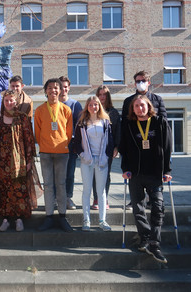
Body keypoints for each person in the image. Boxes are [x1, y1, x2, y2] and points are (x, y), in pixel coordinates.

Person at [119, 95, 172, 264]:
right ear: (132, 109)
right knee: (138, 208)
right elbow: (124, 148)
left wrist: (167, 170)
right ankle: (145, 238)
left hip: (155, 173)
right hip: (135, 173)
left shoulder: (159, 122)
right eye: (136, 106)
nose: (139, 108)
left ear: (148, 106)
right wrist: (125, 169)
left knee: (158, 207)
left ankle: (154, 243)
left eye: (142, 105)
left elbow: (168, 147)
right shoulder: (128, 125)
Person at [0, 90, 41, 232]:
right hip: (3, 161)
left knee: (19, 189)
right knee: (4, 189)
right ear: (3, 102)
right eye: (6, 100)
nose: (9, 103)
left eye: (11, 100)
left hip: (19, 160)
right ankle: (6, 219)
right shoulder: (0, 119)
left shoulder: (23, 118)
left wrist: (29, 160)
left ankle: (19, 219)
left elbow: (29, 140)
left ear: (16, 102)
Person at [121, 71, 167, 210]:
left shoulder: (157, 99)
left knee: (154, 175)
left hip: (154, 145)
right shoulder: (129, 101)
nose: (140, 83)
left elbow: (164, 122)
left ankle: (154, 201)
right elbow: (125, 124)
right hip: (136, 144)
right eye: (138, 81)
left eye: (143, 80)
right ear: (135, 83)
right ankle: (136, 201)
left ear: (148, 82)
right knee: (136, 176)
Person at [34, 78, 73, 232]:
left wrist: (62, 143)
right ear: (46, 91)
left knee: (61, 185)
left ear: (60, 90)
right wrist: (44, 144)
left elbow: (69, 132)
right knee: (48, 185)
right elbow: (37, 131)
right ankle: (49, 216)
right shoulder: (40, 110)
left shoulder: (66, 110)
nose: (53, 91)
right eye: (50, 88)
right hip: (45, 153)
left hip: (62, 152)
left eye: (56, 88)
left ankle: (62, 216)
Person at [73, 96, 114, 232]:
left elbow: (110, 142)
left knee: (101, 191)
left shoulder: (105, 122)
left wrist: (107, 156)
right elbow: (76, 143)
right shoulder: (82, 123)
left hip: (102, 160)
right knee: (86, 190)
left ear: (99, 106)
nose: (93, 107)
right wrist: (82, 155)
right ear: (87, 106)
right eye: (90, 104)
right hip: (87, 161)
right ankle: (87, 220)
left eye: (95, 104)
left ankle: (102, 220)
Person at [91, 85, 121, 210]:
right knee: (94, 174)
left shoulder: (113, 112)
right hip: (93, 148)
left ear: (108, 96)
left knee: (105, 174)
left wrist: (116, 147)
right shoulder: (92, 110)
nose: (102, 97)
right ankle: (96, 199)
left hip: (108, 149)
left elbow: (117, 131)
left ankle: (105, 198)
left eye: (104, 95)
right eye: (100, 95)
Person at [58, 76, 83, 210]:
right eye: (61, 86)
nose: (64, 89)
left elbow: (80, 127)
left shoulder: (75, 104)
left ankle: (68, 197)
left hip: (71, 144)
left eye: (66, 86)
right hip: (56, 144)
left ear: (69, 88)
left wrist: (77, 145)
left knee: (69, 172)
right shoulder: (53, 104)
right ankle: (57, 198)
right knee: (57, 173)